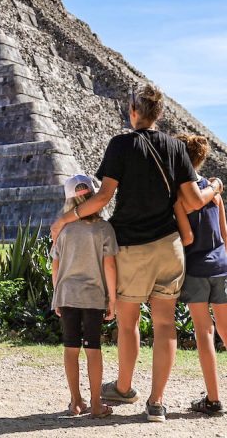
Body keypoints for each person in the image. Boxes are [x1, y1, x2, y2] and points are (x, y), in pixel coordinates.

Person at [50, 83, 224, 422]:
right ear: (159, 114)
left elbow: (102, 199)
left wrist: (65, 220)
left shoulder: (121, 145)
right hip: (169, 248)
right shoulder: (175, 148)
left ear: (133, 112)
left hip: (132, 246)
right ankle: (157, 402)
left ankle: (125, 387)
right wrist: (216, 187)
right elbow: (190, 200)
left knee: (128, 322)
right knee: (165, 324)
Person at [51, 174, 118, 419]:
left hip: (67, 294)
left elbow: (55, 267)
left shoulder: (64, 229)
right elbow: (109, 266)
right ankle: (97, 404)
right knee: (93, 349)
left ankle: (76, 401)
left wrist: (56, 295)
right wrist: (112, 299)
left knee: (70, 348)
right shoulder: (104, 228)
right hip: (93, 297)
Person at [174, 134, 227, 416]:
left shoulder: (180, 196)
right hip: (222, 265)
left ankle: (214, 399)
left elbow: (187, 237)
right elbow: (225, 234)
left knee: (204, 332)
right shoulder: (214, 191)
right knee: (226, 329)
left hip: (196, 269)